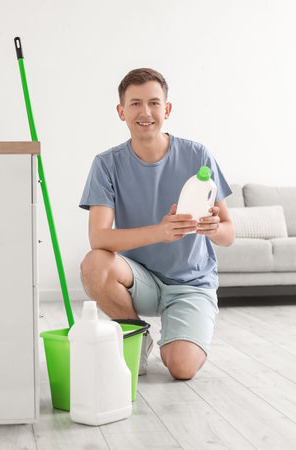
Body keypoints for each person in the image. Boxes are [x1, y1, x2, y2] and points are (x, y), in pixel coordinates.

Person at [79, 68, 235, 380]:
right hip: (140, 280)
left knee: (180, 367)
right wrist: (159, 232)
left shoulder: (197, 155)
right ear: (122, 111)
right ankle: (136, 334)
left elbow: (229, 233)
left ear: (167, 109)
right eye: (135, 103)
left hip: (190, 284)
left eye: (154, 102)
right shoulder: (107, 165)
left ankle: (180, 333)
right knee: (95, 263)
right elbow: (99, 238)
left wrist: (213, 228)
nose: (145, 112)